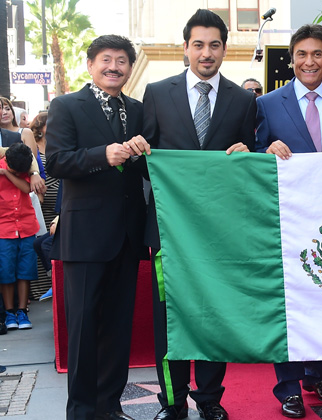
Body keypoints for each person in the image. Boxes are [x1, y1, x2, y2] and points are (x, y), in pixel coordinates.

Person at [142, 9, 256, 420]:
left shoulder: (244, 101)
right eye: (198, 44)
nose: (206, 53)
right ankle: (172, 402)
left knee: (213, 316)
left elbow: (251, 164)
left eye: (214, 45)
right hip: (169, 231)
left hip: (219, 234)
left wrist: (248, 154)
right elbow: (145, 162)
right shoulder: (156, 93)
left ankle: (210, 400)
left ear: (225, 48)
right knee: (169, 320)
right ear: (185, 47)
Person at [256, 23, 322, 419]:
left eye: (317, 54)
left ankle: (318, 375)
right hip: (287, 222)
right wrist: (266, 148)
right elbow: (253, 152)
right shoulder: (268, 104)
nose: (309, 61)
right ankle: (288, 388)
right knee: (289, 303)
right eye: (302, 54)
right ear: (291, 59)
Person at [46, 34, 149, 420]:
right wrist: (101, 156)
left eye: (122, 61)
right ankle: (82, 411)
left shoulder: (137, 110)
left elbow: (143, 167)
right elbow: (56, 162)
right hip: (85, 238)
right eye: (106, 59)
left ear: (129, 68)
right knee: (84, 330)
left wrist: (142, 153)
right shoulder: (66, 106)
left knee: (118, 330)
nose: (114, 67)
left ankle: (110, 406)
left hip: (126, 236)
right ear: (90, 64)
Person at [0, 142, 39, 331]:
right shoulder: (6, 161)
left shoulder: (25, 167)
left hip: (26, 226)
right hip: (4, 228)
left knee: (25, 270)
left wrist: (8, 173)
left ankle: (22, 310)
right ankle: (9, 312)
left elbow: (27, 188)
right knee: (6, 271)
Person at [29, 112, 58, 299]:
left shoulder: (59, 144)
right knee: (41, 242)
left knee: (51, 242)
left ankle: (55, 283)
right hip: (42, 205)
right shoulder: (34, 148)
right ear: (40, 127)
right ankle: (43, 288)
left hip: (59, 203)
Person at [0, 98, 45, 195]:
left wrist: (34, 173)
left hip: (15, 194)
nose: (3, 112)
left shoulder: (17, 135)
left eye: (6, 109)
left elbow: (28, 155)